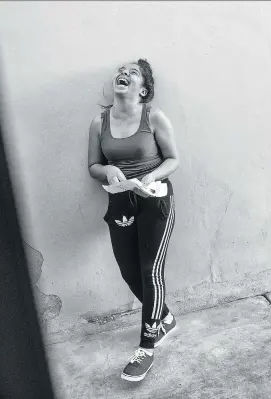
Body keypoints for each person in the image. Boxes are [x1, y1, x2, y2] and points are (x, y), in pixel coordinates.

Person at [87, 59, 180, 382]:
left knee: (149, 269)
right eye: (121, 70)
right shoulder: (99, 123)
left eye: (133, 72)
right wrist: (108, 170)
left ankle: (147, 346)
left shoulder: (153, 117)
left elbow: (173, 159)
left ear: (143, 90)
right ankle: (164, 318)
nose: (123, 73)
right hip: (119, 200)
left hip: (154, 197)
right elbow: (93, 166)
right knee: (129, 271)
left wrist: (152, 175)